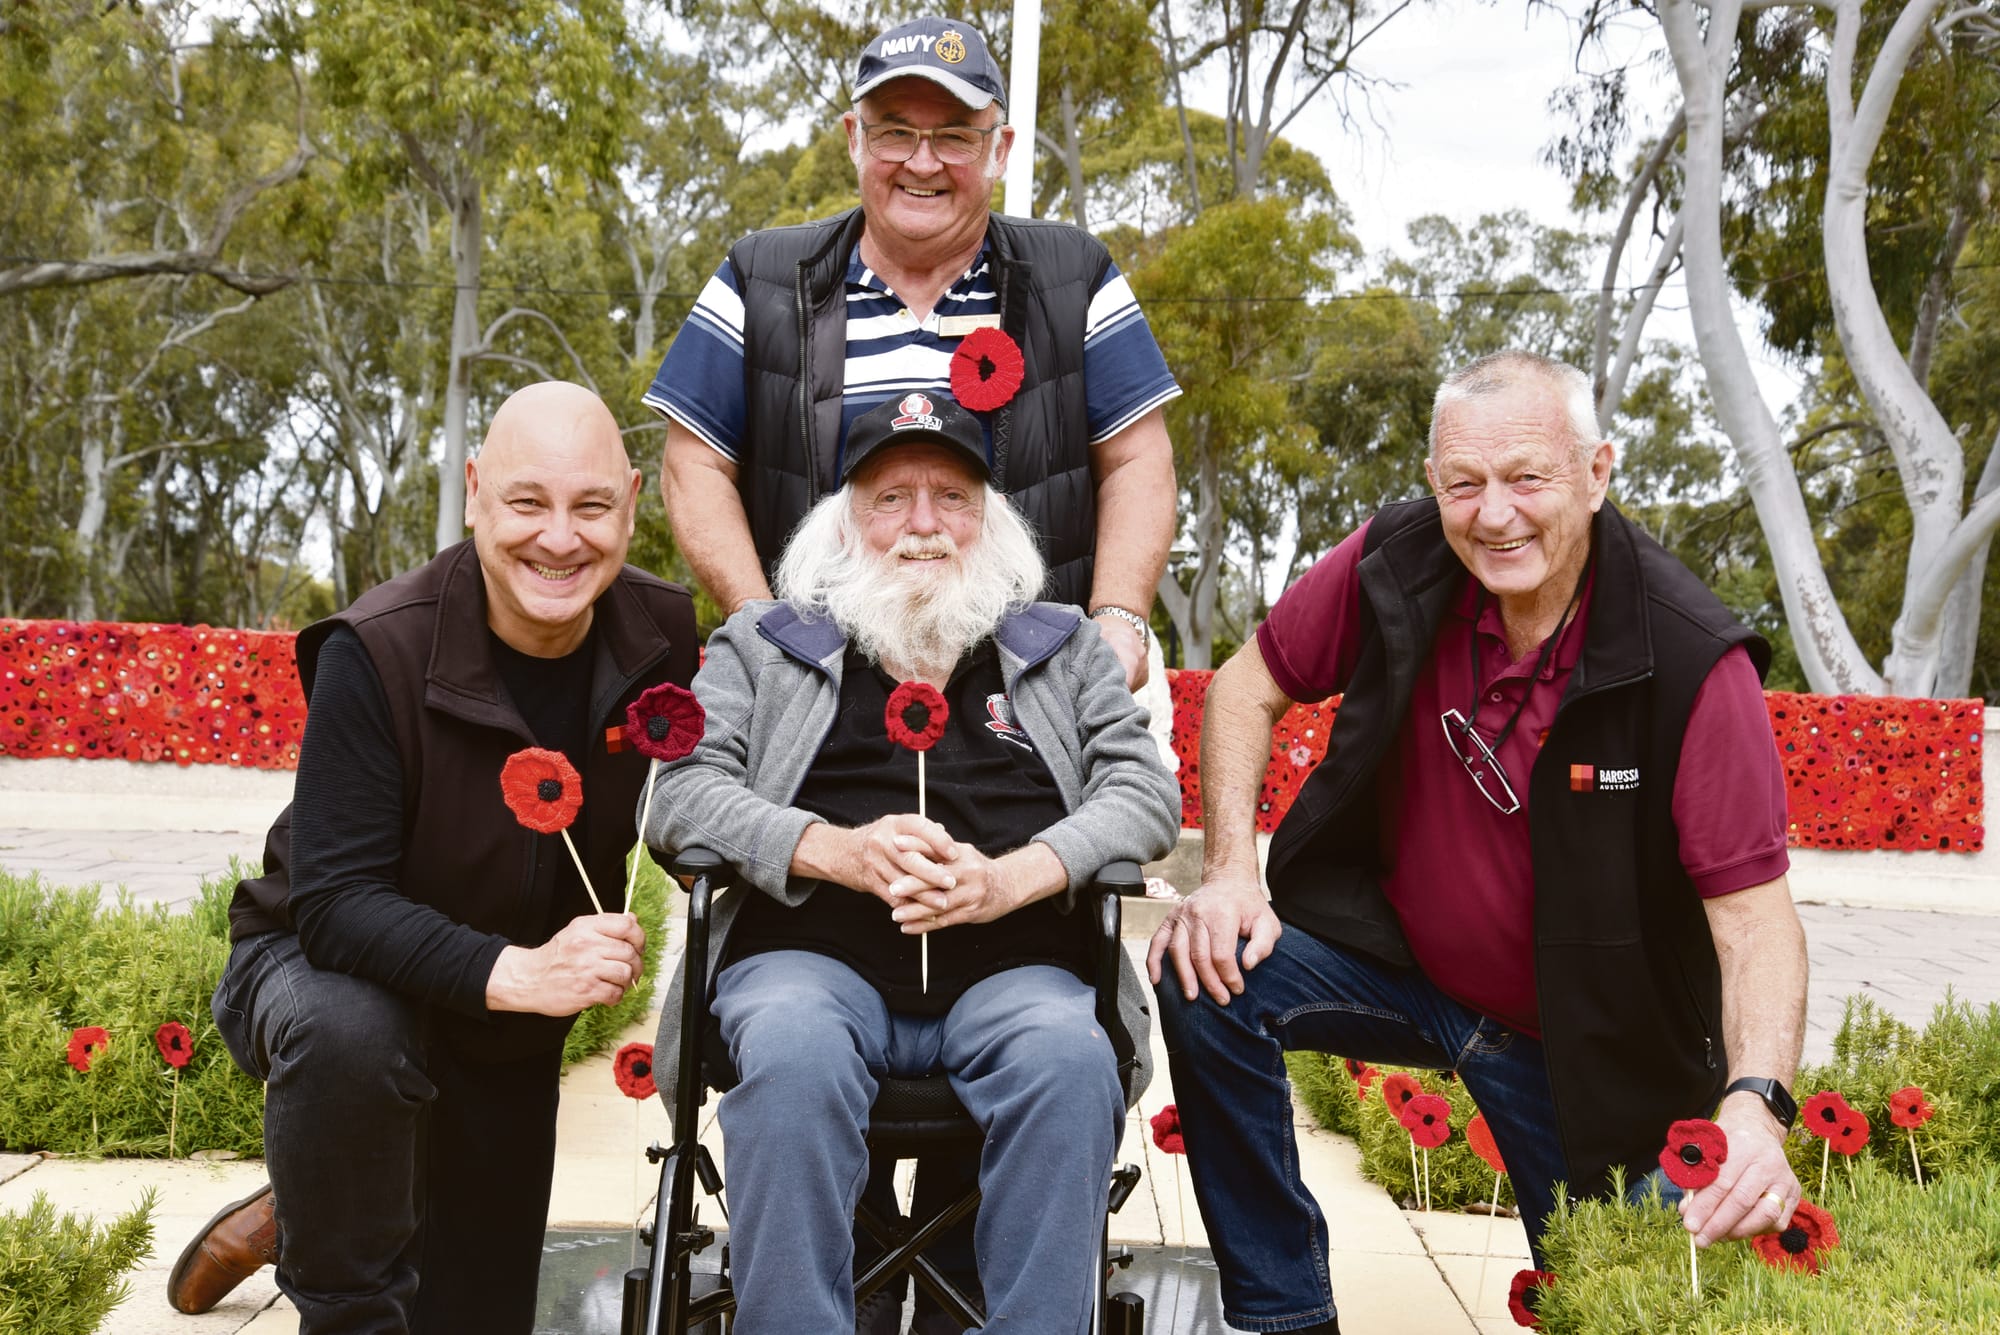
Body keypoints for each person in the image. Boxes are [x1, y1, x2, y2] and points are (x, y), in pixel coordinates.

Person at [1148, 351, 1809, 1335]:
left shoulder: (1686, 661)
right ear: (1432, 487)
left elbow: (1754, 927)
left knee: (1622, 1305)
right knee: (1206, 973)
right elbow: (1246, 686)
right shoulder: (1396, 559)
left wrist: (1755, 1104)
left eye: (1526, 479)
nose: (1492, 515)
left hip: (1584, 1048)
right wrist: (1230, 875)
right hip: (1401, 970)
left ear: (1596, 473)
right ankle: (1284, 1313)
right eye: (1463, 484)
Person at [641, 392, 1180, 1335]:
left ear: (991, 520)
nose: (923, 525)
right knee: (793, 1054)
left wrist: (1011, 875)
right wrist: (835, 851)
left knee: (1069, 1058)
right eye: (890, 498)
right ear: (842, 521)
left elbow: (1145, 797)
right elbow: (677, 798)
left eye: (952, 497)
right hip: (808, 965)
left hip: (1015, 968)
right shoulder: (763, 649)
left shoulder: (1060, 651)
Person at [165, 382, 698, 1333]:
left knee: (473, 1313)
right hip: (318, 968)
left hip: (501, 1020)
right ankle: (339, 1240)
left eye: (590, 506)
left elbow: (699, 796)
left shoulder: (666, 639)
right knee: (353, 1040)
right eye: (528, 503)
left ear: (630, 502)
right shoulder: (376, 649)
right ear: (475, 493)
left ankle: (321, 1192)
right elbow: (332, 903)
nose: (560, 539)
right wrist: (518, 969)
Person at [643, 13, 1178, 694]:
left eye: (954, 135)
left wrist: (1119, 619)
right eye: (895, 130)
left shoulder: (1079, 275)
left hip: (1042, 696)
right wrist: (761, 629)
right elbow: (693, 464)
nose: (922, 162)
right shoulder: (757, 278)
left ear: (1000, 149)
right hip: (820, 701)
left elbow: (1139, 459)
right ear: (854, 140)